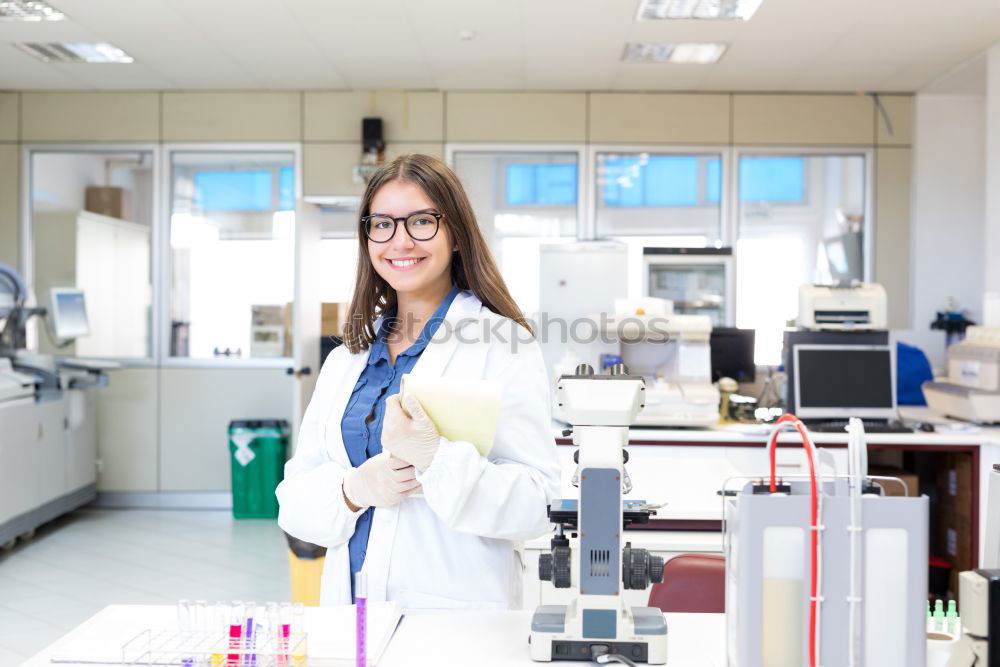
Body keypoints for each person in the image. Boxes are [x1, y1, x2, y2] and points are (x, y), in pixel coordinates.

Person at [276, 154, 561, 609]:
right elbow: (293, 502)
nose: (401, 241)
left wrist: (437, 459)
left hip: (456, 615)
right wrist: (353, 491)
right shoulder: (348, 356)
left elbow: (537, 504)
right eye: (382, 224)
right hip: (351, 613)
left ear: (456, 234)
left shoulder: (500, 342)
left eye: (422, 222)